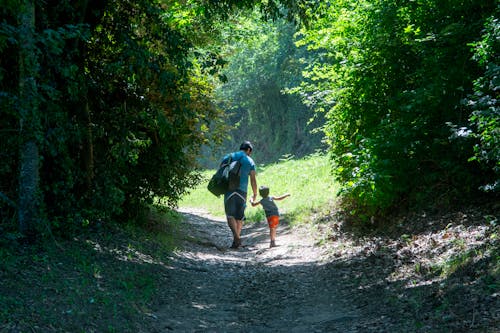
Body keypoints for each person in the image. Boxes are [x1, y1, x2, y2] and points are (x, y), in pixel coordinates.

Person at [221, 141, 257, 249]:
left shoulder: (228, 157)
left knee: (230, 215)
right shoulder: (249, 161)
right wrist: (255, 193)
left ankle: (236, 238)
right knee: (239, 216)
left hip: (229, 190)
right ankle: (237, 239)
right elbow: (253, 179)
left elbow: (221, 172)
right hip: (242, 191)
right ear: (249, 150)